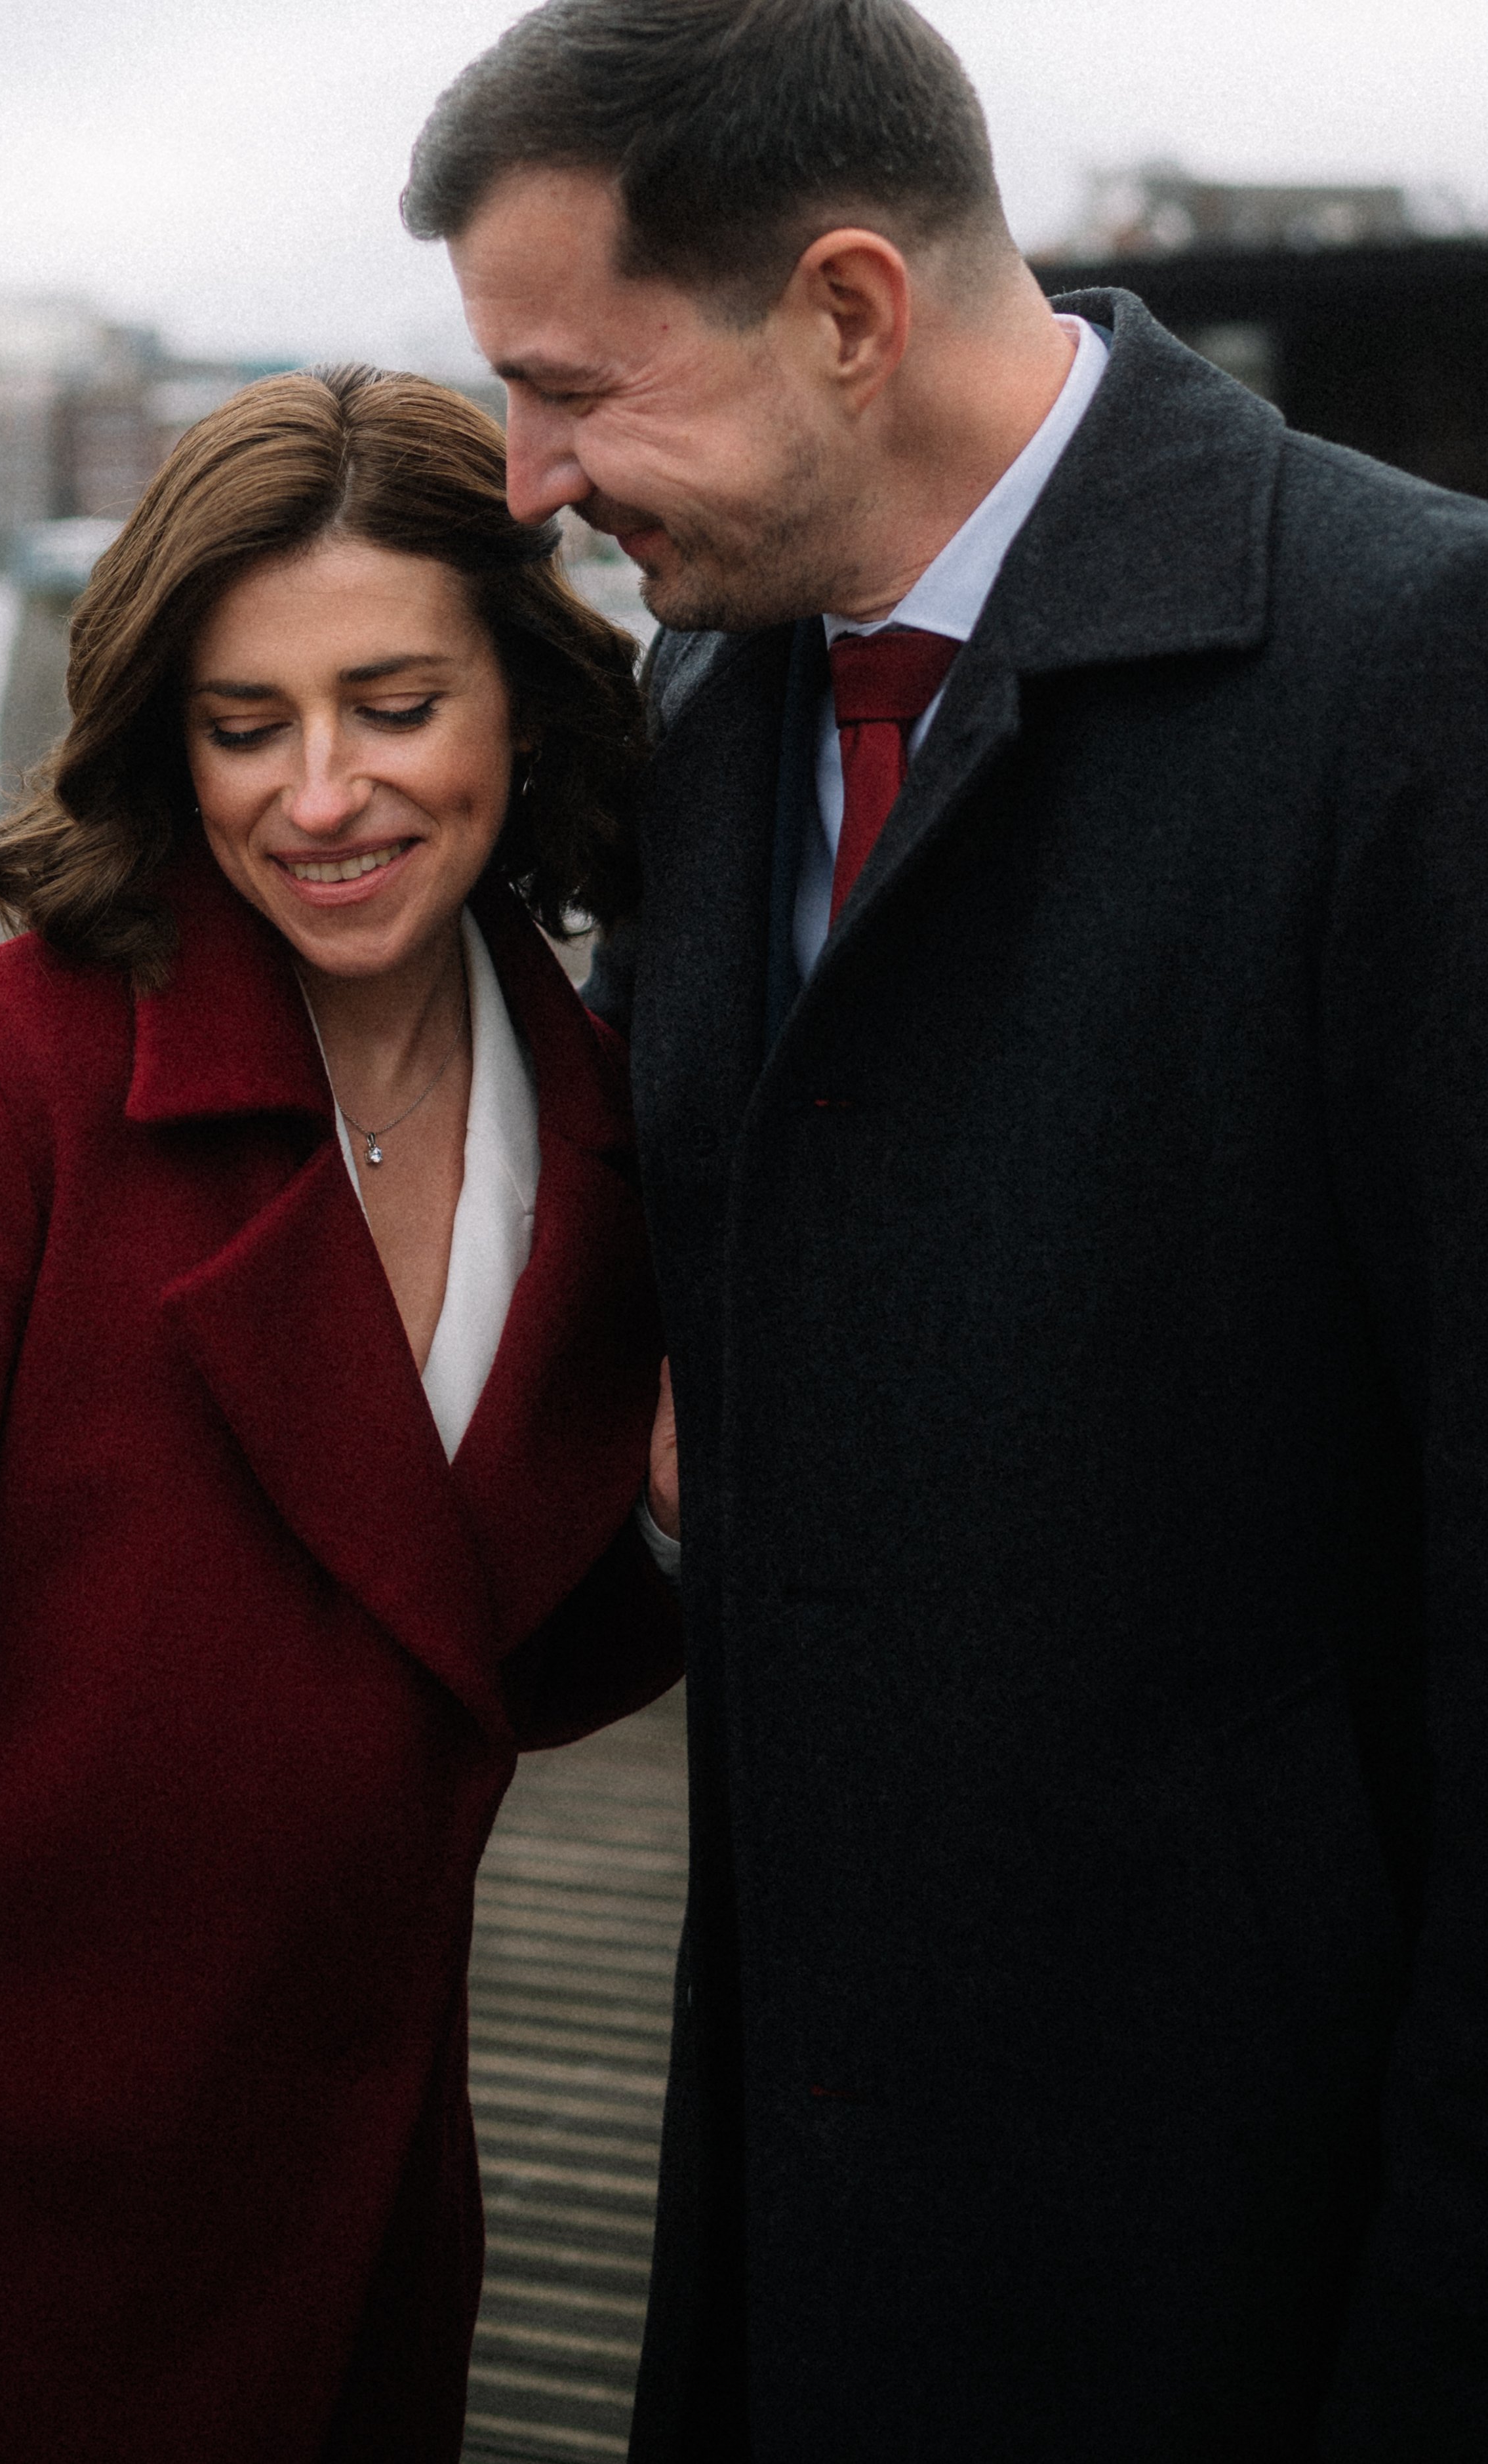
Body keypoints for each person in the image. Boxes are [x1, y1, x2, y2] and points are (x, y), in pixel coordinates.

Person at [405, 2, 1488, 2457]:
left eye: (573, 385)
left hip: (1238, 2254)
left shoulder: (1421, 673)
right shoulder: (715, 677)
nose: (525, 477)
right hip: (800, 2182)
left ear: (850, 309)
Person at [0, 365, 682, 2464]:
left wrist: (672, 1531)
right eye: (245, 726)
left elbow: (470, 1657)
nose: (319, 795)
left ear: (521, 694)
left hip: (354, 2215)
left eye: (394, 705)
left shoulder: (614, 1121)